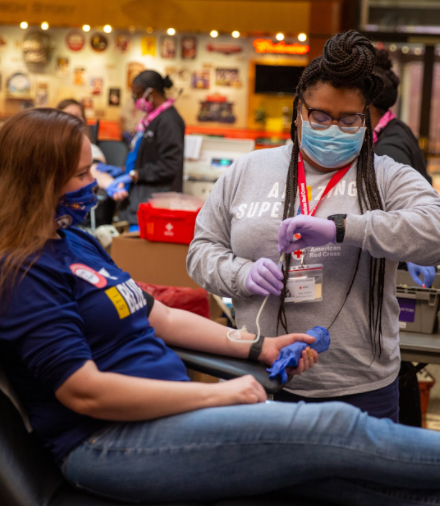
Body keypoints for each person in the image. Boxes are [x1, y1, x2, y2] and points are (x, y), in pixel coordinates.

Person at [0, 109, 440, 506]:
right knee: (334, 426)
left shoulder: (73, 241)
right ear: (36, 181)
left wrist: (260, 347)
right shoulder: (19, 272)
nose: (95, 184)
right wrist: (218, 394)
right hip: (109, 443)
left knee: (359, 483)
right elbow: (86, 394)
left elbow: (158, 316)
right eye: (82, 175)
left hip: (164, 420)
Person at [187, 31, 440, 423]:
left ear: (366, 119)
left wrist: (344, 228)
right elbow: (201, 252)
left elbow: (434, 232)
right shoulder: (248, 170)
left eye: (348, 119)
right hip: (258, 378)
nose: (332, 127)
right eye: (320, 116)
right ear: (298, 111)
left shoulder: (386, 176)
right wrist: (241, 273)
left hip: (359, 389)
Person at [371, 48, 436, 427]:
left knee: (397, 365)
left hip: (400, 274)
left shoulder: (389, 149)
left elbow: (390, 221)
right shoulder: (399, 130)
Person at [93, 70, 185, 227]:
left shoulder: (169, 121)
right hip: (138, 202)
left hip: (153, 205)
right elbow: (147, 157)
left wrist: (134, 174)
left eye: (137, 95)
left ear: (150, 93)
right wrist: (124, 170)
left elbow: (170, 165)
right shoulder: (152, 118)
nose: (135, 100)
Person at [56, 99, 106, 164]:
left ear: (83, 121)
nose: (72, 119)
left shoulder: (90, 149)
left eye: (77, 116)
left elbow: (97, 168)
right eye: (68, 114)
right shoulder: (49, 146)